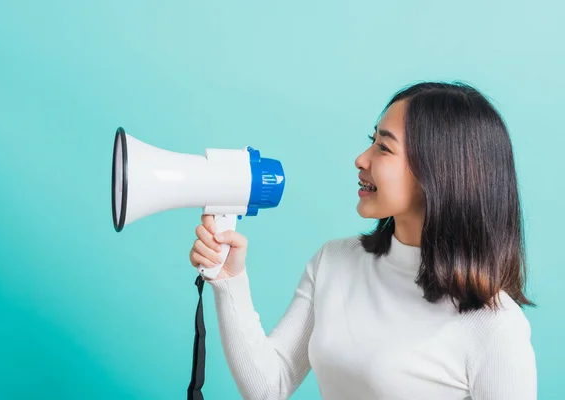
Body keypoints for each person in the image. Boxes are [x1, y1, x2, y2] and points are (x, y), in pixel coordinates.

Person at [189, 82, 537, 400]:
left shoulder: (495, 327)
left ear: (440, 173)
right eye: (372, 140)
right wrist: (228, 280)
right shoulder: (335, 262)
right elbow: (269, 386)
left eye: (384, 147)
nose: (361, 159)